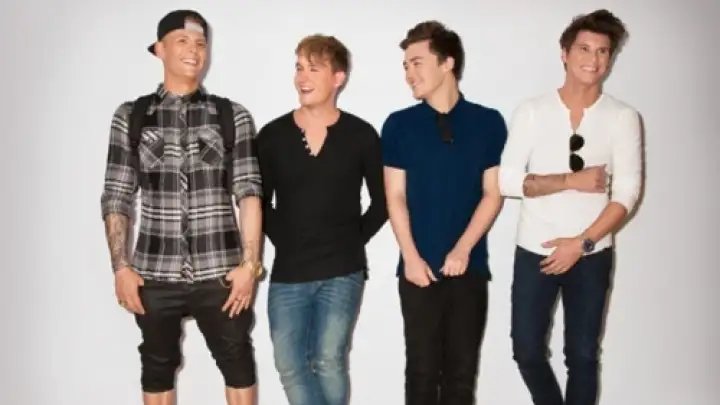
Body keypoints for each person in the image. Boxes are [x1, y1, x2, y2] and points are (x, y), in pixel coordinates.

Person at [100, 9, 263, 405]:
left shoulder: (231, 115)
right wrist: (121, 267)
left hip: (221, 272)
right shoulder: (132, 116)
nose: (194, 51)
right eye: (183, 41)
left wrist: (249, 265)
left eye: (201, 43)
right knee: (156, 366)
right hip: (154, 273)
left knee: (238, 362)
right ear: (159, 49)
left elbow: (249, 193)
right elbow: (117, 195)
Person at [498, 9, 643, 405]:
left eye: (603, 51)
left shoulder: (623, 117)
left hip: (592, 254)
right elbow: (506, 181)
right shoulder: (532, 111)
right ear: (564, 53)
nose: (593, 60)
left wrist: (581, 244)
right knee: (526, 351)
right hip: (535, 251)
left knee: (581, 357)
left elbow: (627, 194)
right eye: (584, 48)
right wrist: (569, 181)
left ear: (610, 59)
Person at [256, 34, 387, 405]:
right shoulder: (272, 135)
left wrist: (350, 240)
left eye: (313, 69)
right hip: (289, 271)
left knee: (329, 360)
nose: (302, 77)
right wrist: (287, 241)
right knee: (288, 364)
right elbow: (257, 202)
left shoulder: (361, 135)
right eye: (299, 68)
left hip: (342, 271)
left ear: (338, 78)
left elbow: (382, 202)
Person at [381, 21, 507, 405]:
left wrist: (463, 249)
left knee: (461, 376)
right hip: (416, 270)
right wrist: (410, 257)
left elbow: (493, 193)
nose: (409, 73)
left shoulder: (488, 122)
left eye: (417, 63)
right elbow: (395, 196)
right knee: (421, 373)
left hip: (470, 269)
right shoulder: (399, 125)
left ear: (447, 62)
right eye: (405, 65)